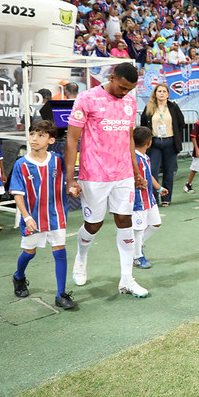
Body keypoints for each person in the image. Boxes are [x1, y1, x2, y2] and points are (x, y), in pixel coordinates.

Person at [65, 62, 149, 297]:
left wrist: (136, 171)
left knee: (125, 221)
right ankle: (81, 257)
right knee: (94, 224)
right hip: (94, 174)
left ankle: (126, 280)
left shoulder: (130, 102)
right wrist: (71, 178)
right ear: (112, 77)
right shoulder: (87, 98)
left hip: (122, 173)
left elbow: (129, 139)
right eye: (122, 87)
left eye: (129, 90)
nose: (124, 93)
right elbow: (72, 140)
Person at [10, 120, 75, 309]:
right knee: (29, 252)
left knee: (60, 251)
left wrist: (72, 188)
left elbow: (68, 181)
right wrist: (27, 217)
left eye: (40, 135)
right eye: (32, 134)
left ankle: (61, 294)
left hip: (56, 215)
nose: (34, 139)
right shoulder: (21, 164)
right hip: (34, 218)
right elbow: (17, 194)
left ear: (51, 140)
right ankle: (19, 276)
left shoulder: (57, 160)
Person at [140, 83, 185, 207]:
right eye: (159, 91)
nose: (161, 93)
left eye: (164, 91)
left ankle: (166, 198)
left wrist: (177, 137)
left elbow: (181, 122)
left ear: (168, 94)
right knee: (152, 171)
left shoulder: (173, 107)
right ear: (155, 93)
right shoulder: (149, 107)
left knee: (169, 171)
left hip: (170, 142)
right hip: (154, 143)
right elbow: (143, 123)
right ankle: (154, 198)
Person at [131, 126, 167, 270]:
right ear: (149, 142)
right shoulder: (133, 159)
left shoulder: (145, 157)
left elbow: (149, 176)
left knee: (156, 223)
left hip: (149, 199)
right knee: (138, 229)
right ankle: (137, 256)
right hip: (138, 201)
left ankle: (137, 245)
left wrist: (159, 188)